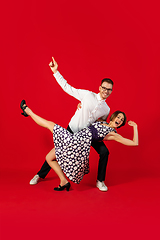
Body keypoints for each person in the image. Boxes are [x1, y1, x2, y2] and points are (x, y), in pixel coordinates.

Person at [29, 57, 114, 191]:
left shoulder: (106, 109)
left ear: (111, 91)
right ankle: (39, 174)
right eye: (104, 88)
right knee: (57, 152)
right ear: (100, 87)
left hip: (88, 135)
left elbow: (100, 122)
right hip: (73, 129)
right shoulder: (87, 95)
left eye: (109, 90)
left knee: (104, 152)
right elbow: (67, 88)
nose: (106, 91)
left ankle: (100, 181)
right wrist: (56, 71)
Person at [20, 101, 138, 191]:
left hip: (77, 144)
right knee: (49, 157)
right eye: (118, 117)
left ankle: (28, 111)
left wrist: (135, 127)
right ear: (113, 116)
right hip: (76, 138)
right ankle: (63, 181)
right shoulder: (103, 122)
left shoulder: (113, 133)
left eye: (122, 120)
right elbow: (87, 118)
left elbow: (134, 143)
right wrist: (79, 108)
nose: (119, 120)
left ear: (121, 124)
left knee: (50, 125)